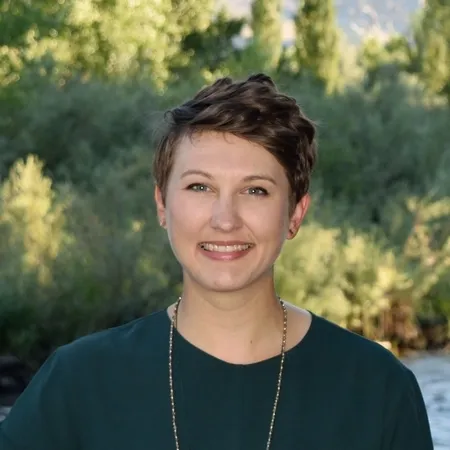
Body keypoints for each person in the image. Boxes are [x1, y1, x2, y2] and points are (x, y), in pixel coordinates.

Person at [0, 73, 433, 450]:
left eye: (256, 190)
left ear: (296, 213)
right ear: (161, 205)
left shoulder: (377, 389)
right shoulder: (78, 383)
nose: (225, 220)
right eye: (199, 188)